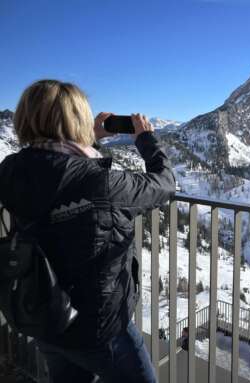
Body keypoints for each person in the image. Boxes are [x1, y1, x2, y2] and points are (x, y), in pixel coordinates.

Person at [0, 80, 176, 383]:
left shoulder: (12, 169)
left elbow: (55, 176)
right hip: (99, 327)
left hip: (46, 313)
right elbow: (164, 184)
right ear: (77, 119)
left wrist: (89, 140)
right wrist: (146, 139)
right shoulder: (100, 181)